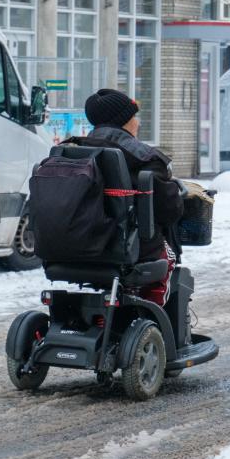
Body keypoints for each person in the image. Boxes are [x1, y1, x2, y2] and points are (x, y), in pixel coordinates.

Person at [68, 88, 183, 305]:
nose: (137, 123)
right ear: (125, 121)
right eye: (134, 117)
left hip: (74, 246)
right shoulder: (145, 158)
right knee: (168, 257)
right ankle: (152, 312)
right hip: (126, 248)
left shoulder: (71, 151)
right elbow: (169, 211)